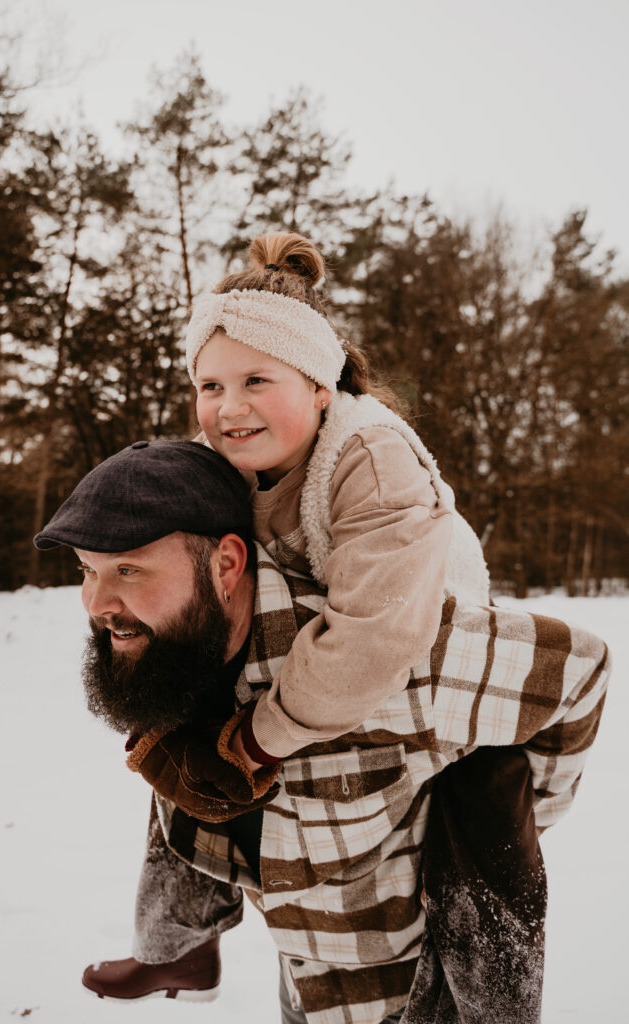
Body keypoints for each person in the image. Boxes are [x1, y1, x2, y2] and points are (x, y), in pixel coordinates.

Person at [34, 439, 610, 1024]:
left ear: (226, 565)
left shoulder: (383, 660)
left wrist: (507, 813)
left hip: (406, 998)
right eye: (88, 570)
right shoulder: (173, 647)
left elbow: (581, 671)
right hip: (304, 975)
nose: (96, 602)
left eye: (128, 569)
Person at [186, 231, 490, 772]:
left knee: (473, 783)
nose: (229, 407)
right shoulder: (211, 462)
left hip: (435, 648)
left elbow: (377, 636)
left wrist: (255, 743)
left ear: (320, 387)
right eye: (211, 386)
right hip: (321, 672)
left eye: (256, 380)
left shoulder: (371, 460)